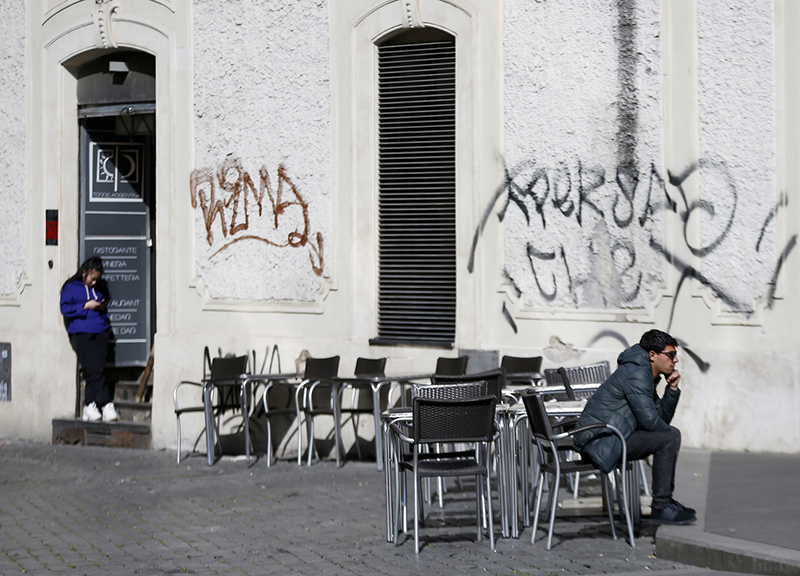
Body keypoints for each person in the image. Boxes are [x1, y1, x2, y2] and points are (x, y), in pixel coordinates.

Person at [572, 329, 696, 525]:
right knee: (670, 437)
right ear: (652, 355)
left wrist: (671, 390)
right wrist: (669, 436)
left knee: (669, 435)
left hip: (610, 437)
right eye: (670, 355)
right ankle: (662, 506)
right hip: (600, 443)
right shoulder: (638, 373)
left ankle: (664, 504)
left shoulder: (645, 373)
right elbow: (650, 422)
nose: (675, 360)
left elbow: (660, 419)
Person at [60, 257, 119, 422]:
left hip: (100, 330)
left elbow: (104, 305)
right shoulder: (70, 287)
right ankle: (106, 404)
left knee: (97, 369)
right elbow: (65, 308)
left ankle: (90, 406)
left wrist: (101, 306)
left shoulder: (99, 288)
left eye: (97, 279)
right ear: (84, 272)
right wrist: (85, 306)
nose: (94, 282)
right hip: (81, 333)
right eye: (92, 278)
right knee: (94, 369)